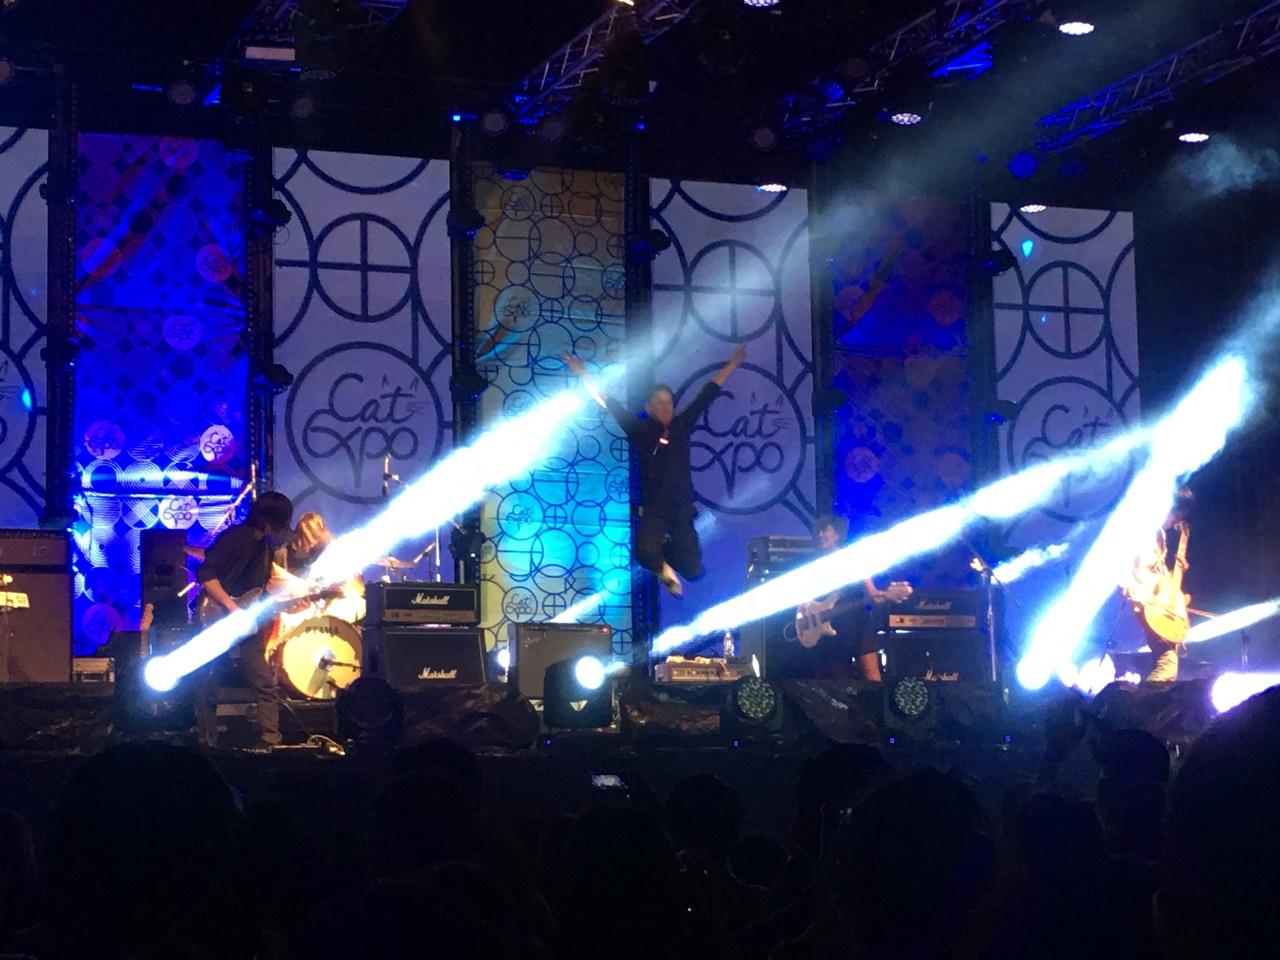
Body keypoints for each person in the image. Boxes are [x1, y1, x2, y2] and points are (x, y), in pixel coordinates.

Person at [564, 344, 746, 597]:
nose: (665, 407)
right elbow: (606, 400)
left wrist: (733, 364)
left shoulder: (682, 425)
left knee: (694, 571)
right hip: (655, 511)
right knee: (645, 551)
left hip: (681, 511)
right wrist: (583, 373)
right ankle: (663, 568)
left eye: (668, 402)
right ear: (650, 408)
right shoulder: (641, 430)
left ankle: (667, 552)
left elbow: (708, 392)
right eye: (659, 403)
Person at [193, 490, 294, 749]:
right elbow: (205, 574)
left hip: (244, 622)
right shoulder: (236, 538)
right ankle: (208, 742)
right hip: (218, 616)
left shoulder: (265, 548)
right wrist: (232, 608)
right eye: (283, 521)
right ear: (270, 520)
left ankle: (270, 740)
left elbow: (259, 590)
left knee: (264, 682)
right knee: (209, 684)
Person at [807, 513, 904, 682]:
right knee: (836, 681)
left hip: (857, 623)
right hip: (831, 628)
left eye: (825, 530)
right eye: (818, 531)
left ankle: (874, 700)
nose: (820, 535)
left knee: (871, 677)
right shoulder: (814, 565)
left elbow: (873, 594)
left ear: (837, 533)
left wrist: (886, 595)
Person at [1124, 489, 1193, 682]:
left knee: (1166, 661)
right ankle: (1148, 697)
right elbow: (1141, 571)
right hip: (1146, 603)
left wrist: (1174, 583)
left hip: (1154, 604)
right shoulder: (1145, 531)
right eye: (1177, 516)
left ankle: (1148, 697)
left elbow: (1157, 573)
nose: (1175, 522)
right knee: (1167, 662)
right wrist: (1169, 591)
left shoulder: (1159, 535)